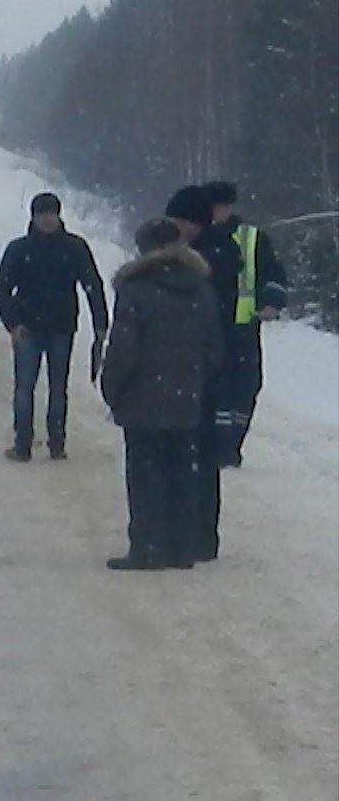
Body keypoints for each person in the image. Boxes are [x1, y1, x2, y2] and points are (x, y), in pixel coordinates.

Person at [100, 218, 223, 570]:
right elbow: (214, 350)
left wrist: (114, 390)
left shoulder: (136, 289)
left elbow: (123, 349)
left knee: (144, 475)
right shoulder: (201, 288)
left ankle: (147, 547)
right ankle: (182, 547)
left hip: (142, 399)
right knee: (182, 471)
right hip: (187, 399)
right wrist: (194, 379)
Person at [0, 192, 108, 462]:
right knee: (24, 387)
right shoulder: (20, 249)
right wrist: (13, 324)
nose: (47, 219)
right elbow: (2, 287)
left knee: (58, 387)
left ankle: (57, 443)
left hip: (61, 326)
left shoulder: (74, 248)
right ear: (33, 216)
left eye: (51, 213)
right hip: (28, 328)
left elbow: (93, 285)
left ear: (59, 215)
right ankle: (23, 444)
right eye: (42, 214)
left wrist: (100, 323)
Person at [165, 185, 242, 561]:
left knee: (199, 450)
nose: (174, 227)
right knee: (191, 449)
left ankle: (199, 535)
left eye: (178, 221)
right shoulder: (203, 252)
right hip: (196, 363)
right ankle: (190, 531)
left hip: (207, 364)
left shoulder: (213, 257)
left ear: (193, 222)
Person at [202, 181, 289, 466]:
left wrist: (273, 302)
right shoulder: (197, 239)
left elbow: (272, 273)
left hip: (244, 328)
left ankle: (233, 443)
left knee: (247, 386)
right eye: (214, 206)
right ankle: (218, 447)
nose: (219, 212)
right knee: (216, 387)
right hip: (207, 328)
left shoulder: (252, 238)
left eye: (223, 206)